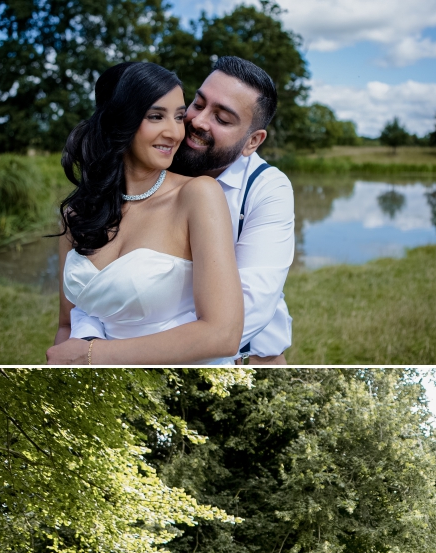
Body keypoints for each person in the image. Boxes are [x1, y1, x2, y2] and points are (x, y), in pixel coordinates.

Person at [60, 57, 295, 365]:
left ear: (252, 141)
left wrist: (102, 351)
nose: (195, 123)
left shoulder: (267, 189)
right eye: (197, 105)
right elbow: (75, 313)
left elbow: (239, 316)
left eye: (222, 119)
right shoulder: (165, 157)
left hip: (245, 359)